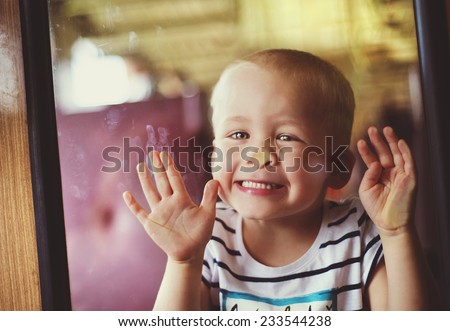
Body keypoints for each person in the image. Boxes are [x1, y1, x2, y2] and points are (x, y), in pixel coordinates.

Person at [122, 49, 432, 310]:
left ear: (337, 166)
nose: (259, 155)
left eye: (286, 137)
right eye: (239, 134)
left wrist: (396, 233)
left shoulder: (359, 232)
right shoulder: (209, 238)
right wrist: (183, 262)